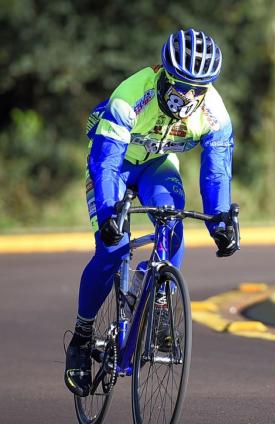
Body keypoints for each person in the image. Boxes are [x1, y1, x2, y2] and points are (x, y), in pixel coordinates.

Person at [64, 28, 238, 397]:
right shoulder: (131, 96)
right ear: (163, 75)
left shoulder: (214, 112)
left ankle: (154, 290)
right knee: (112, 249)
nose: (189, 95)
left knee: (172, 225)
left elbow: (217, 169)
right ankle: (81, 338)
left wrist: (221, 220)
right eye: (181, 85)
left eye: (198, 88)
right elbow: (105, 163)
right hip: (115, 163)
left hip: (157, 165)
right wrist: (111, 212)